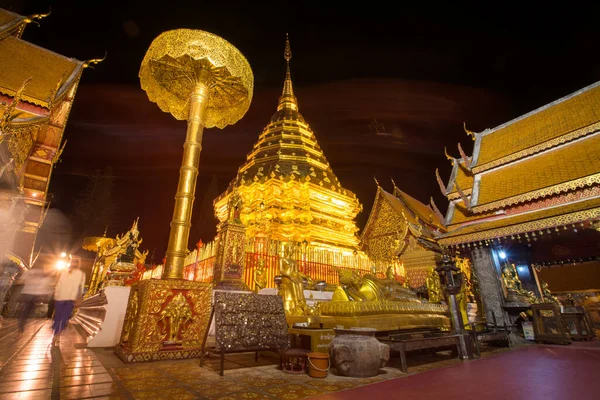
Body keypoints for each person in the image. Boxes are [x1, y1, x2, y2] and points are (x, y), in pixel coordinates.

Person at [52, 263, 85, 345]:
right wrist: (79, 298)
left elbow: (59, 285)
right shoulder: (79, 274)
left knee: (60, 317)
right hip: (68, 298)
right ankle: (57, 333)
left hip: (63, 298)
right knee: (63, 317)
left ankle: (56, 333)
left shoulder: (67, 273)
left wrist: (56, 295)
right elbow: (81, 288)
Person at [17, 268, 53, 334]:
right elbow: (46, 284)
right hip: (35, 294)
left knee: (26, 310)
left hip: (27, 293)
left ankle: (21, 326)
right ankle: (24, 326)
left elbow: (21, 280)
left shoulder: (29, 271)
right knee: (30, 310)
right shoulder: (44, 273)